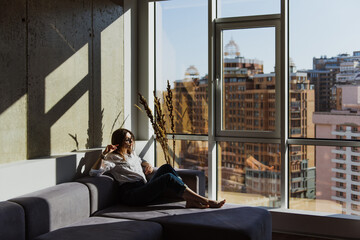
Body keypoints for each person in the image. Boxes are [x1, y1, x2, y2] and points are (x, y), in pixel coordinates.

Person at [90, 128, 225, 208]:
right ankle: (204, 200)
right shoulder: (112, 158)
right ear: (119, 142)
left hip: (143, 187)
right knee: (167, 178)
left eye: (131, 139)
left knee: (166, 167)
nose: (131, 142)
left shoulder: (131, 154)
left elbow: (138, 161)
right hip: (131, 195)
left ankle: (189, 200)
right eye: (127, 140)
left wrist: (146, 164)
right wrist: (103, 154)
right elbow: (94, 173)